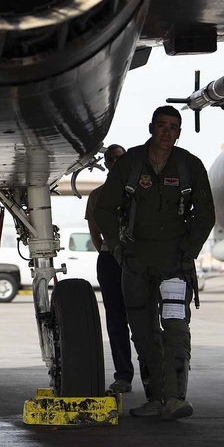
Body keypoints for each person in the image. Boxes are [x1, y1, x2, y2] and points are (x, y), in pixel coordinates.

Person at [94, 105, 215, 421]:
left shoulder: (190, 166)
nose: (167, 131)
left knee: (176, 329)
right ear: (151, 127)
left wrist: (188, 252)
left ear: (179, 132)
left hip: (174, 262)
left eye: (173, 127)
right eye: (161, 125)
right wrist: (118, 249)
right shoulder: (131, 164)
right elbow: (105, 209)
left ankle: (175, 398)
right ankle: (156, 398)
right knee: (143, 333)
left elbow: (205, 215)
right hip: (135, 262)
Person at [86, 143, 140, 395]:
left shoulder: (141, 188)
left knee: (144, 316)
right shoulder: (98, 195)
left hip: (138, 258)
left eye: (120, 158)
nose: (115, 162)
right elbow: (95, 233)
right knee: (116, 320)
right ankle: (123, 376)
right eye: (111, 159)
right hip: (111, 259)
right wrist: (109, 252)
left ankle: (152, 375)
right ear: (106, 163)